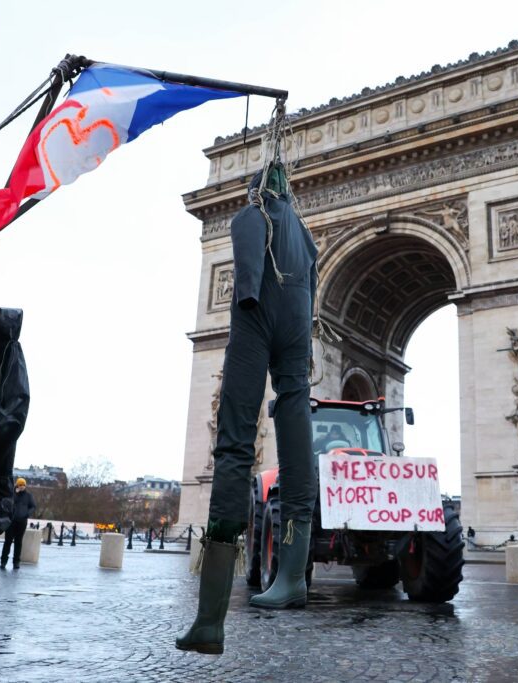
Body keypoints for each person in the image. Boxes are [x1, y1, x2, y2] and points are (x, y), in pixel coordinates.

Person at [176, 161, 318, 655]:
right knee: (298, 439)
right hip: (299, 327)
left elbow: (247, 264)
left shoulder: (251, 213)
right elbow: (315, 294)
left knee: (235, 443)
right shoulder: (305, 233)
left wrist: (249, 295)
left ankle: (210, 621)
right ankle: (293, 576)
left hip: (257, 320)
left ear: (257, 190)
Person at [0, 477, 36, 570]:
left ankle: (16, 562)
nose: (22, 487)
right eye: (20, 485)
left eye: (23, 485)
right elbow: (7, 503)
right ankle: (3, 562)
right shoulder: (12, 494)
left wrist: (27, 514)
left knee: (18, 542)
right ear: (17, 485)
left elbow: (33, 506)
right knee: (7, 542)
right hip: (11, 522)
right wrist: (15, 493)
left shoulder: (29, 496)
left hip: (22, 522)